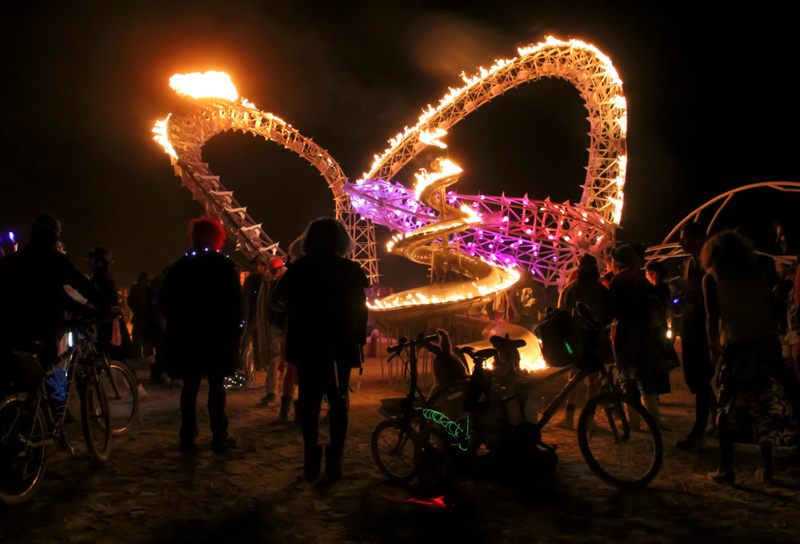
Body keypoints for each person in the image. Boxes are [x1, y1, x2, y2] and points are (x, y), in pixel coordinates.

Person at [270, 219, 368, 484]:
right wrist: (359, 337)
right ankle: (334, 461)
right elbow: (361, 308)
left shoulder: (300, 269)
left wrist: (294, 313)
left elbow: (276, 301)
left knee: (310, 402)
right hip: (340, 342)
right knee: (338, 402)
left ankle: (310, 458)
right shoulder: (349, 269)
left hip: (308, 341)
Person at [702, 231, 797, 484]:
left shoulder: (712, 277)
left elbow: (712, 317)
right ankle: (766, 468)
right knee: (766, 404)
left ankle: (726, 468)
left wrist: (713, 348)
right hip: (766, 344)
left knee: (728, 405)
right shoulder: (757, 274)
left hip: (736, 346)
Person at [158, 217, 242, 452]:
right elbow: (235, 306)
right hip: (216, 338)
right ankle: (218, 435)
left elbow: (163, 301)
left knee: (190, 386)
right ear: (218, 238)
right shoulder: (224, 266)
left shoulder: (179, 267)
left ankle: (187, 435)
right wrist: (232, 330)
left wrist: (179, 322)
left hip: (186, 339)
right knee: (216, 387)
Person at [0, 215, 111, 365]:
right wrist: (107, 307)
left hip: (9, 332)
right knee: (49, 373)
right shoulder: (55, 261)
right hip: (41, 330)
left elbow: (63, 298)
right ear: (53, 236)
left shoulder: (10, 261)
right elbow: (82, 287)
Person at [608, 245, 665, 428]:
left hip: (625, 333)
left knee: (626, 379)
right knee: (644, 377)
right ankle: (653, 420)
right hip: (645, 332)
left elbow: (614, 311)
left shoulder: (618, 281)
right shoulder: (643, 279)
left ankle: (632, 422)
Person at [556, 254, 612, 429]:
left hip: (575, 342)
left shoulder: (569, 289)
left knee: (573, 378)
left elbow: (560, 315)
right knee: (594, 382)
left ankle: (569, 417)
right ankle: (589, 419)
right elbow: (608, 316)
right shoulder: (602, 290)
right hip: (596, 340)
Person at [675, 222, 717, 451]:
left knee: (700, 378)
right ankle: (715, 414)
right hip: (690, 325)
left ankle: (700, 429)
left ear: (699, 239)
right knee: (693, 378)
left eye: (684, 238)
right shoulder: (688, 263)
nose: (680, 243)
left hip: (703, 326)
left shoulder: (710, 263)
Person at [87, 247, 132, 362]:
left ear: (99, 262)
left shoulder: (100, 276)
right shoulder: (103, 275)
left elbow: (96, 296)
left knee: (108, 349)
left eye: (92, 261)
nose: (89, 264)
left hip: (107, 318)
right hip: (111, 316)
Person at [646, 260, 680, 396]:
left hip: (656, 329)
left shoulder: (656, 290)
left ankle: (656, 392)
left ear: (653, 274)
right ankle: (659, 391)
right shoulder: (665, 288)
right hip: (662, 327)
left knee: (656, 362)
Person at [261, 256, 287, 404]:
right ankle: (289, 395)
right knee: (285, 359)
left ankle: (272, 392)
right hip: (282, 325)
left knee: (276, 358)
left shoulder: (274, 284)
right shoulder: (283, 282)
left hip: (278, 325)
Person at [241, 259, 270, 385]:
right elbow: (245, 296)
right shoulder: (250, 280)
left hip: (263, 316)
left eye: (259, 265)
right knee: (247, 339)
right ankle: (248, 368)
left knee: (262, 340)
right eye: (255, 265)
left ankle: (261, 364)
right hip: (251, 314)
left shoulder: (268, 280)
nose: (256, 267)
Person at [128, 272, 152, 359]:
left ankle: (136, 355)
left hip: (138, 315)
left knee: (137, 337)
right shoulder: (149, 288)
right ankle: (147, 355)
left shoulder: (135, 288)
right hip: (146, 316)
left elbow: (130, 302)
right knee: (146, 337)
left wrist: (136, 310)